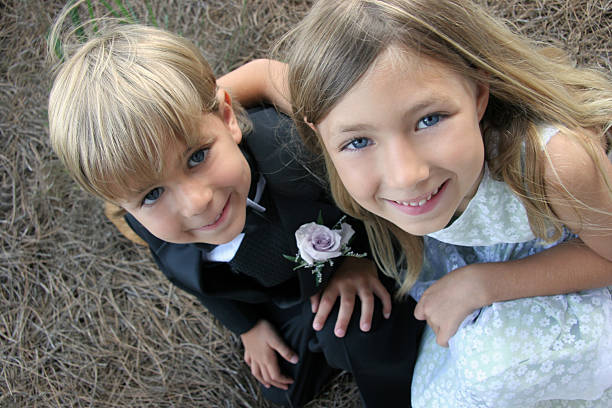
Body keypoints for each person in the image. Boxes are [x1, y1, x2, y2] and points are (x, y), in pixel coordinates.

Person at [222, 0, 612, 406]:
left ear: (478, 92)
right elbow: (265, 74)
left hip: (578, 269)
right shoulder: (344, 108)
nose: (406, 175)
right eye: (358, 141)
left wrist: (484, 283)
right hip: (471, 264)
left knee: (494, 372)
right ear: (320, 134)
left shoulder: (556, 163)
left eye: (429, 119)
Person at [46, 12, 424, 408]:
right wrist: (248, 327)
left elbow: (372, 204)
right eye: (153, 194)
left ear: (227, 118)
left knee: (361, 335)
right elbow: (196, 279)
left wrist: (359, 260)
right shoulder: (149, 223)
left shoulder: (296, 157)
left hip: (352, 267)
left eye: (197, 157)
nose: (196, 203)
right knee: (283, 391)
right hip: (280, 298)